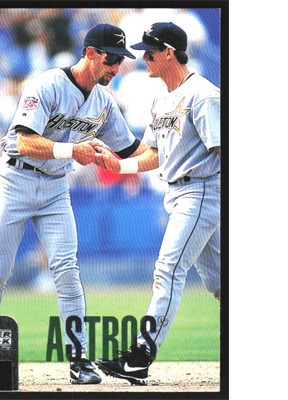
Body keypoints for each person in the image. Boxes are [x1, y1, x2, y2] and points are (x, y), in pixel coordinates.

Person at [0, 23, 148, 385]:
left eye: (120, 60)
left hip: (56, 186)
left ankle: (79, 361)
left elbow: (131, 149)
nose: (116, 66)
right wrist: (73, 150)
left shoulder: (103, 101)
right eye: (111, 58)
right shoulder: (48, 84)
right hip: (16, 179)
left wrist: (174, 149)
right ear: (90, 53)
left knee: (67, 271)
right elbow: (23, 141)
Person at [94, 22, 221, 386]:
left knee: (167, 270)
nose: (144, 57)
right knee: (219, 282)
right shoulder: (162, 98)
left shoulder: (203, 94)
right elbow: (154, 154)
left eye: (150, 51)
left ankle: (138, 360)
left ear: (169, 52)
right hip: (179, 192)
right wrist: (119, 165)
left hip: (202, 190)